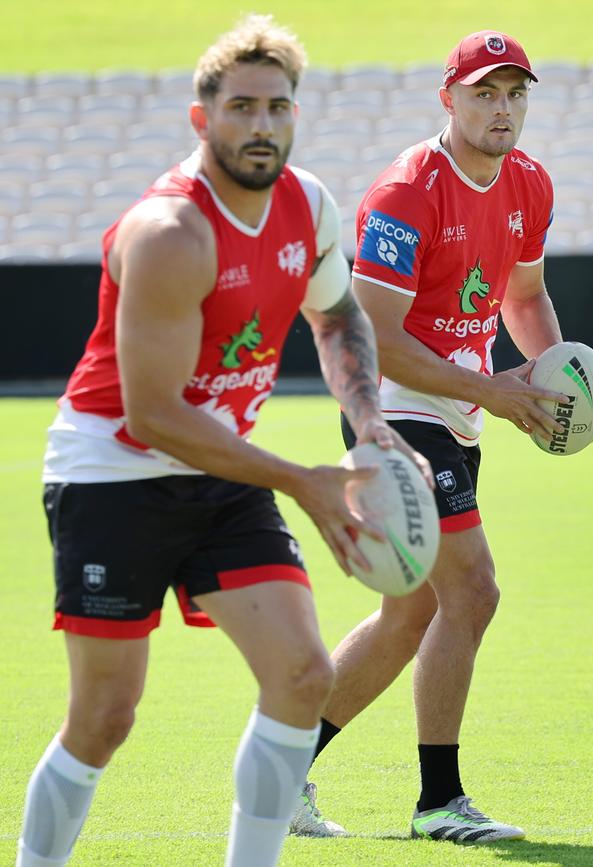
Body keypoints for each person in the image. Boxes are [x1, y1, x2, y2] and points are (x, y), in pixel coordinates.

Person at [15, 15, 432, 867]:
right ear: (203, 119)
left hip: (220, 469)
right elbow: (154, 415)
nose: (263, 125)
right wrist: (304, 480)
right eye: (242, 107)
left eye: (279, 107)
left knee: (302, 675)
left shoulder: (307, 204)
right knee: (104, 720)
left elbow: (339, 311)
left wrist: (373, 424)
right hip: (112, 473)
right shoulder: (172, 234)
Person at [291, 29, 593, 843]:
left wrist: (565, 380)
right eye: (484, 92)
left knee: (408, 614)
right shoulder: (407, 191)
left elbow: (524, 298)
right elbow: (372, 334)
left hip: (457, 407)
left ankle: (277, 769)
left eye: (514, 93)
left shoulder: (531, 184)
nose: (501, 108)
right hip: (394, 408)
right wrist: (492, 390)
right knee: (472, 589)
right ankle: (439, 801)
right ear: (450, 98)